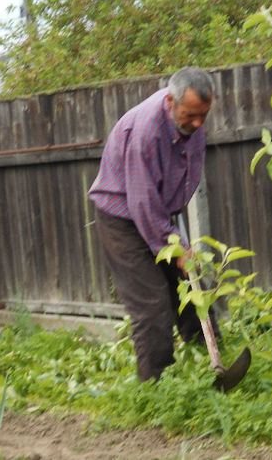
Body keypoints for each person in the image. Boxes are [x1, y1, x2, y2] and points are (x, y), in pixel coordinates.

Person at [88, 66, 216, 382]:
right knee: (152, 304)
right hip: (123, 221)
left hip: (161, 214)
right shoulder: (146, 132)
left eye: (204, 115)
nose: (197, 123)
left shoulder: (190, 122)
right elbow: (142, 204)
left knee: (192, 286)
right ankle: (157, 388)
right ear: (171, 101)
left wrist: (178, 244)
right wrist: (174, 248)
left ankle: (211, 363)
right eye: (190, 115)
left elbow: (182, 177)